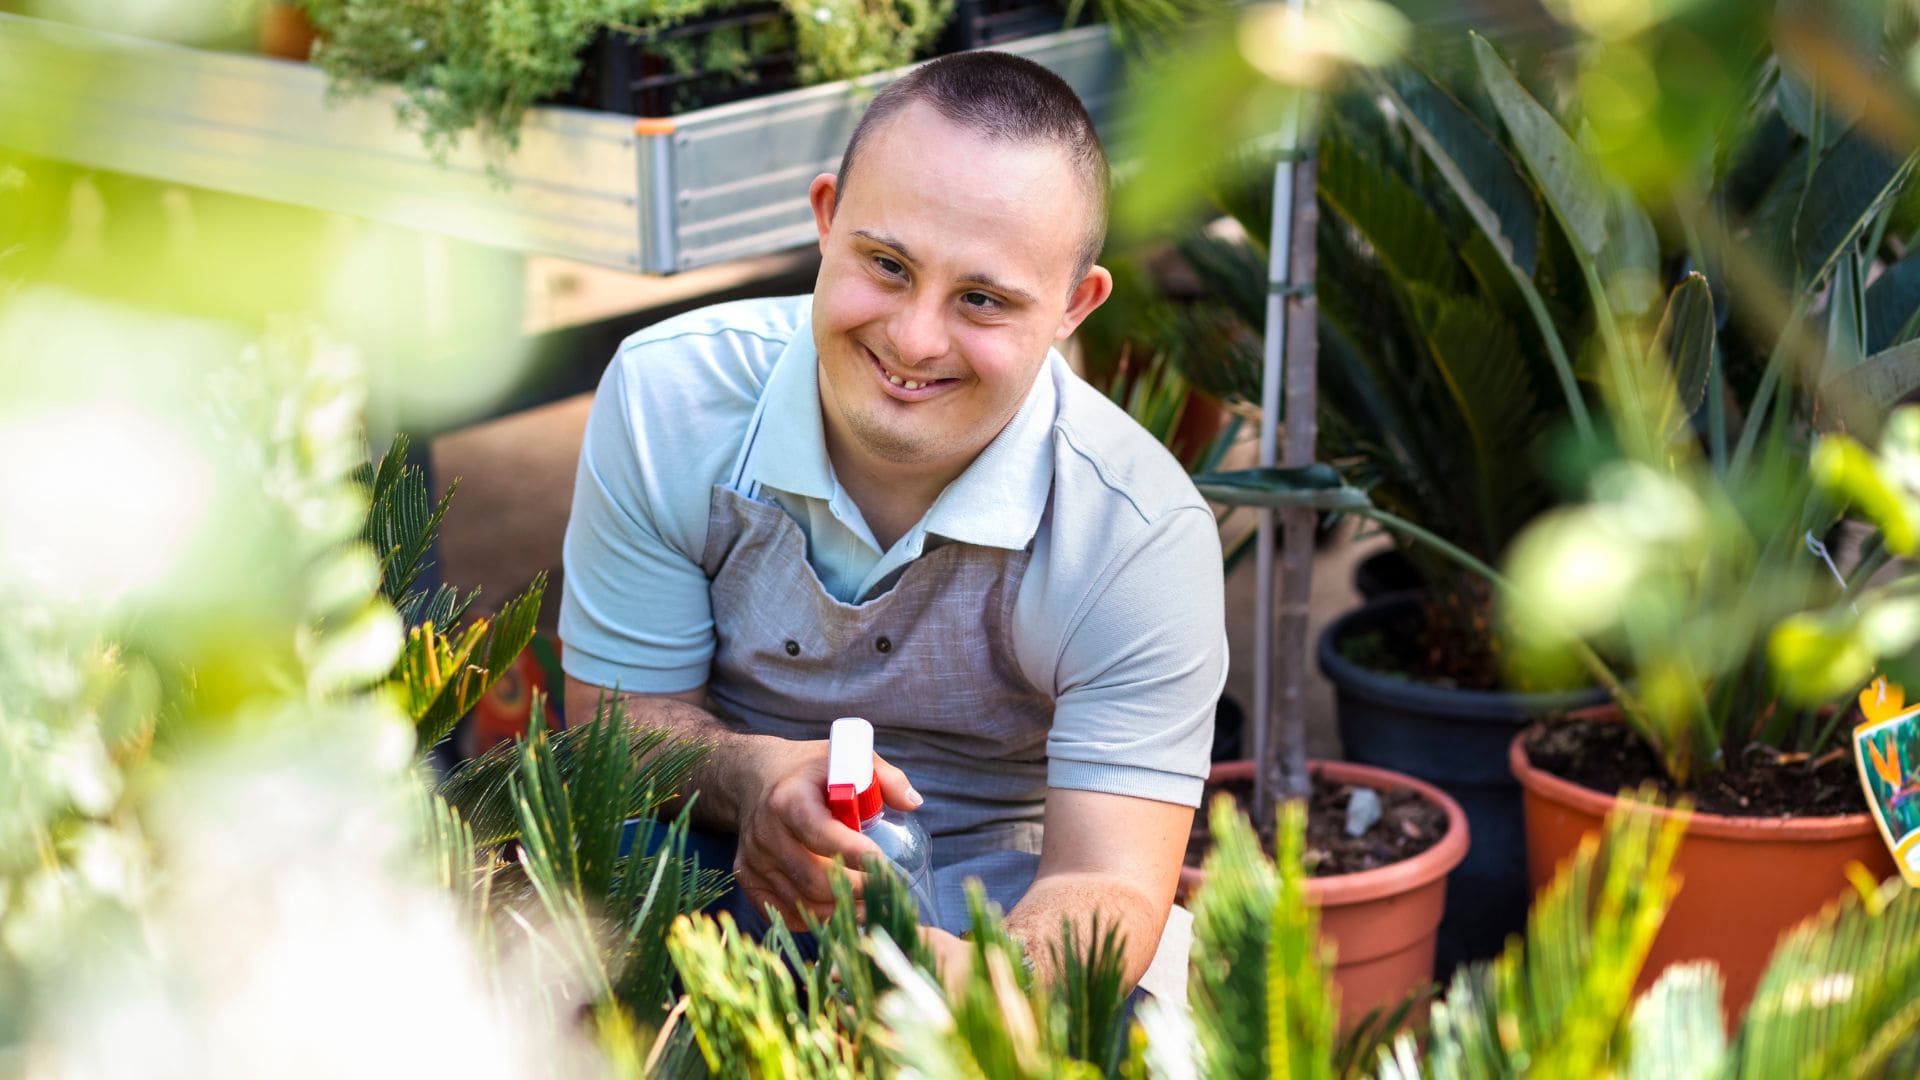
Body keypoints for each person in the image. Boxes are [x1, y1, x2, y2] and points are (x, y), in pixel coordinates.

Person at [559, 49, 1226, 993]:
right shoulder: (669, 398)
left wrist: (968, 989)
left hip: (1004, 904)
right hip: (712, 859)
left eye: (983, 299)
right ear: (827, 220)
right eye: (887, 265)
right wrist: (755, 777)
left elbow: (1104, 876)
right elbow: (609, 723)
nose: (914, 340)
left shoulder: (1138, 530)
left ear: (1075, 307)